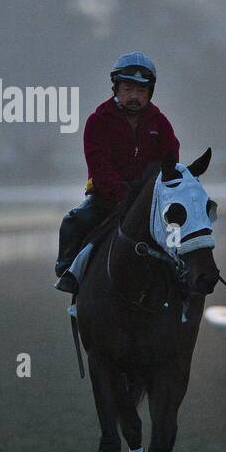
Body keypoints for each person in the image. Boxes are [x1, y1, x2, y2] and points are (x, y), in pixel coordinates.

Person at [54, 52, 180, 293]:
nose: (134, 96)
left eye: (141, 91)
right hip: (109, 199)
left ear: (150, 93)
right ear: (116, 88)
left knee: (185, 229)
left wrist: (153, 189)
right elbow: (98, 165)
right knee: (73, 221)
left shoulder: (160, 123)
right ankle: (70, 272)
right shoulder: (98, 121)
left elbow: (170, 156)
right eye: (128, 89)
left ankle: (188, 279)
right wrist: (123, 192)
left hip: (150, 201)